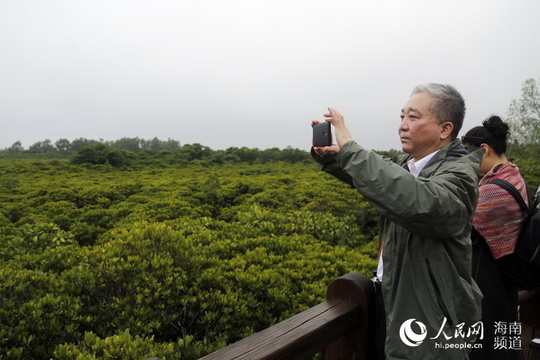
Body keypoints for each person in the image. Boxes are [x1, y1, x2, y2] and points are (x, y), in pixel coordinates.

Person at [311, 83, 484, 360]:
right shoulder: (409, 165)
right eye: (401, 117)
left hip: (431, 318)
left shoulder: (459, 174)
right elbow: (378, 179)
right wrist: (334, 158)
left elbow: (422, 203)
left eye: (413, 117)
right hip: (391, 301)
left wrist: (351, 150)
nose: (403, 125)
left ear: (445, 129)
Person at [462, 116, 529, 360]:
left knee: (486, 348)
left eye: (466, 155)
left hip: (487, 282)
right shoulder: (514, 177)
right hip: (505, 281)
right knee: (505, 344)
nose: (463, 163)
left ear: (484, 150)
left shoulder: (492, 190)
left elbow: (455, 222)